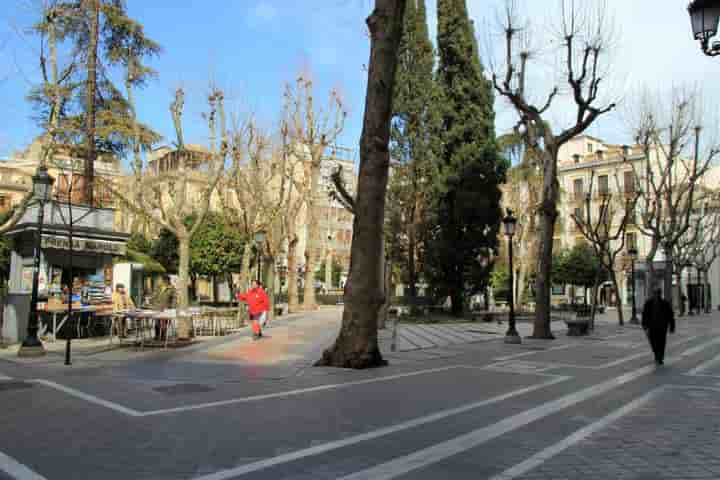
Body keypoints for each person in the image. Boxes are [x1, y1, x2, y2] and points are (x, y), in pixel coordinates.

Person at [641, 287, 675, 365]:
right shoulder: (648, 303)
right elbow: (644, 314)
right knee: (653, 342)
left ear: (660, 294)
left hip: (662, 327)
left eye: (658, 293)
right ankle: (657, 354)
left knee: (662, 342)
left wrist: (672, 326)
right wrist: (644, 325)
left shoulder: (665, 303)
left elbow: (670, 315)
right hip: (652, 327)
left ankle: (660, 356)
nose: (657, 295)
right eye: (655, 293)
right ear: (653, 294)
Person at [150, 275, 176, 341]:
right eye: (163, 280)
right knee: (157, 323)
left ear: (168, 281)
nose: (164, 282)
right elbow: (154, 296)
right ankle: (157, 335)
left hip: (166, 308)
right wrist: (152, 302)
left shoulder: (171, 288)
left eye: (166, 280)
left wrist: (172, 307)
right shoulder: (158, 287)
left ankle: (163, 336)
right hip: (157, 308)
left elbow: (174, 298)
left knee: (164, 323)